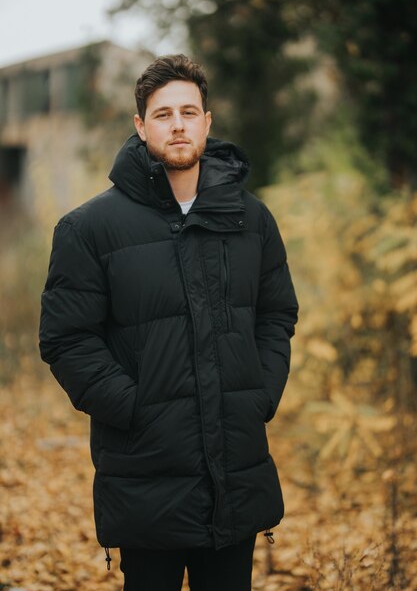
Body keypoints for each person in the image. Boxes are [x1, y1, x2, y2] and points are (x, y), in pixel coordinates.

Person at [39, 54, 298, 591]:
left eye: (188, 111)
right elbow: (66, 339)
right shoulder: (89, 228)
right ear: (140, 127)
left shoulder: (251, 220)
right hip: (144, 469)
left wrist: (258, 395)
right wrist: (135, 408)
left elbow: (276, 314)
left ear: (207, 121)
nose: (177, 124)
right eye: (162, 114)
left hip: (235, 461)